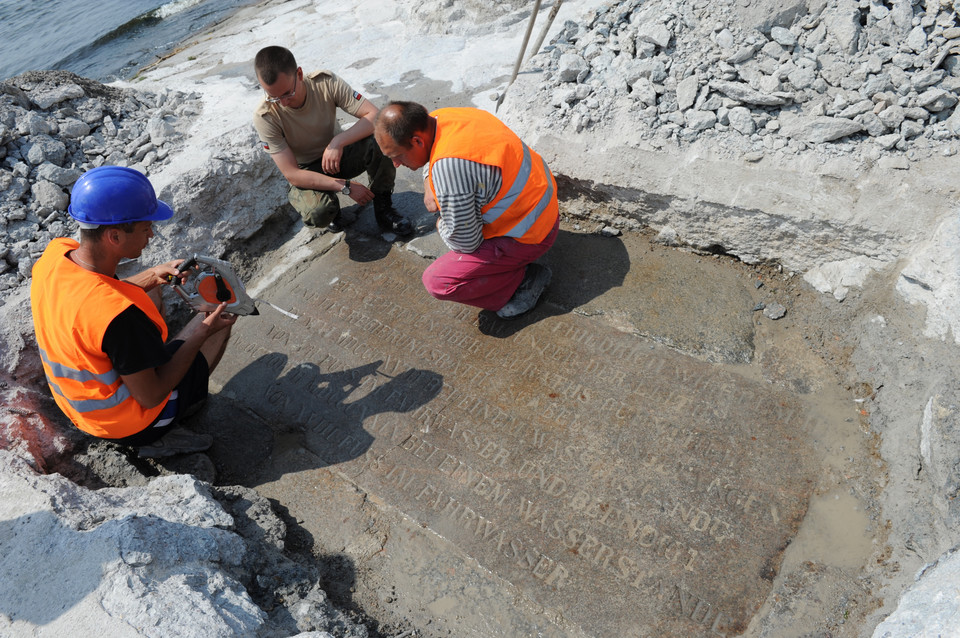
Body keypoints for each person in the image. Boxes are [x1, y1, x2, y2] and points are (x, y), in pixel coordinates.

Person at [30, 166, 237, 458]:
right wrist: (204, 330)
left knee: (150, 291)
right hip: (124, 423)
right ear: (114, 236)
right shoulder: (120, 319)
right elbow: (151, 395)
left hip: (79, 404)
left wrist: (154, 274)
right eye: (145, 228)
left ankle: (147, 366)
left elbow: (96, 294)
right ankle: (163, 428)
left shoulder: (56, 255)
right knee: (220, 314)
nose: (151, 234)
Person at [374, 101, 559, 319]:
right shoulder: (442, 117)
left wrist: (441, 222)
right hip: (542, 209)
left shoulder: (450, 168)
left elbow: (465, 242)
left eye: (397, 155)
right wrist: (429, 184)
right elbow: (434, 159)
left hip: (530, 234)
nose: (396, 164)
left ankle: (526, 280)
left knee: (438, 282)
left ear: (417, 140)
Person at [252, 45, 412, 237]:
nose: (283, 102)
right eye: (274, 97)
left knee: (382, 138)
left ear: (299, 74)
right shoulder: (266, 116)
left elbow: (374, 116)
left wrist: (338, 141)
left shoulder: (325, 83)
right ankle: (332, 211)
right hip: (307, 172)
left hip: (339, 156)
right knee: (318, 213)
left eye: (287, 93)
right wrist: (345, 187)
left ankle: (384, 209)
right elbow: (292, 174)